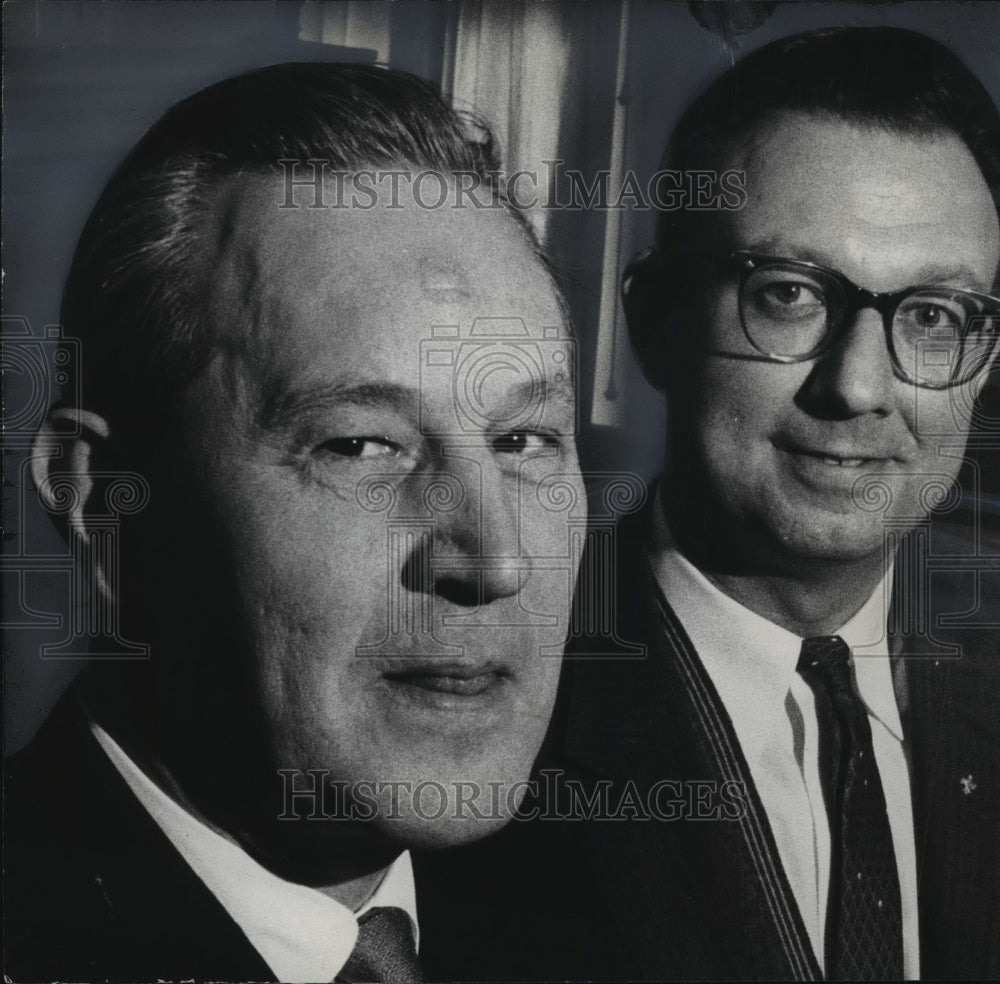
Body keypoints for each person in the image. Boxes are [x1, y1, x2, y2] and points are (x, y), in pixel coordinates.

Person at [420, 26, 1000, 983]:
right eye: (789, 295)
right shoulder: (477, 711)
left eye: (933, 316)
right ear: (654, 320)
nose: (858, 387)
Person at [3, 63, 585, 983]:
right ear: (105, 506)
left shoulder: (601, 923)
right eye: (360, 445)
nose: (496, 559)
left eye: (523, 440)